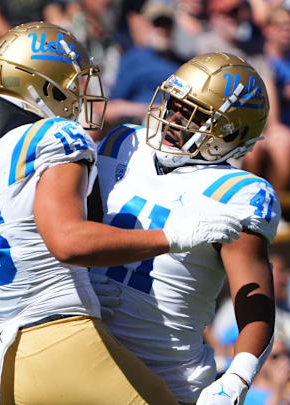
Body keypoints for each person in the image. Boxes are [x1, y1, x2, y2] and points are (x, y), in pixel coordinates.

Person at [0, 22, 245, 405]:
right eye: (71, 84)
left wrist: (7, 280)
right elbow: (68, 241)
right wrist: (174, 236)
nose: (79, 96)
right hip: (68, 344)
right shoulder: (54, 138)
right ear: (42, 86)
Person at [90, 53, 278, 404]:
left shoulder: (240, 193)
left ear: (229, 131)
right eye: (174, 104)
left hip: (169, 375)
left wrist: (236, 378)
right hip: (88, 349)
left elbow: (256, 305)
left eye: (191, 113)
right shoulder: (123, 144)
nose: (173, 118)